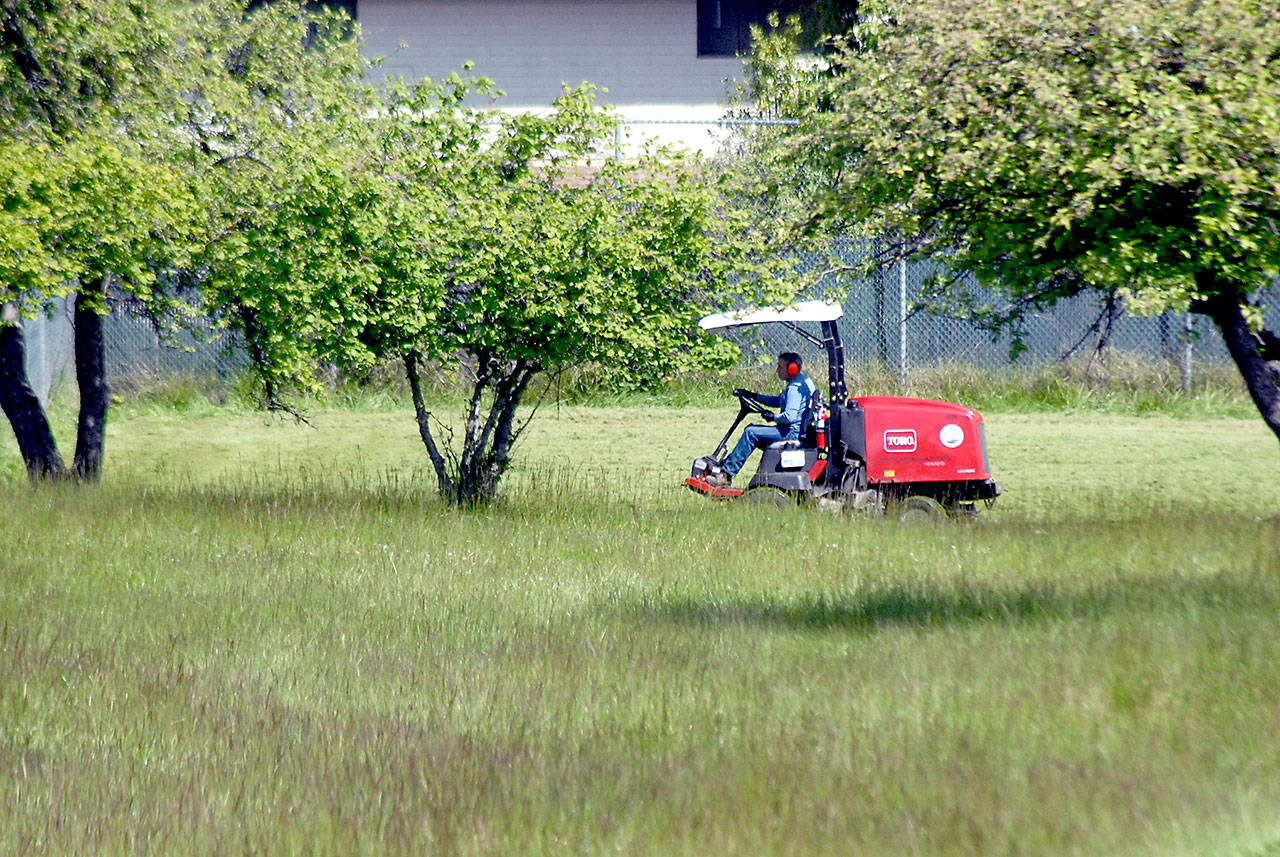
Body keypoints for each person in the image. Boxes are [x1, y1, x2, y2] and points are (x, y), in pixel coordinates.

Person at [708, 352, 816, 488]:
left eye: (780, 367)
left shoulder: (794, 389)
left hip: (790, 433)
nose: (777, 370)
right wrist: (754, 396)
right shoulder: (803, 381)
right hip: (798, 431)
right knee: (754, 432)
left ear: (792, 368)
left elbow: (789, 417)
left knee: (751, 432)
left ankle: (725, 475)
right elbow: (778, 401)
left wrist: (773, 418)